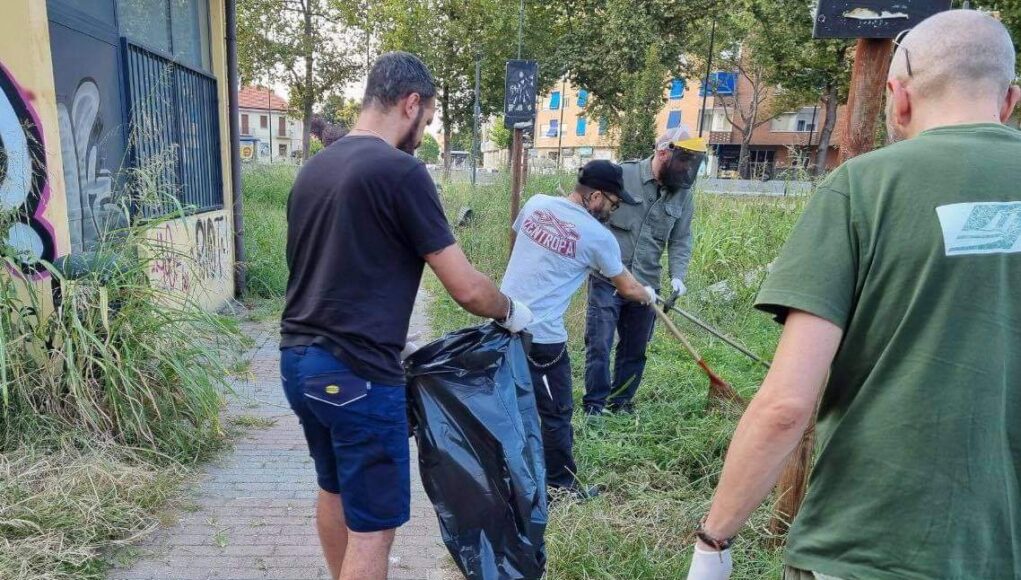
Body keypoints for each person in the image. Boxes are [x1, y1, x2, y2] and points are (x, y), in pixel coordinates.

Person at [685, 10, 1021, 580]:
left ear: (899, 96)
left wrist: (714, 542)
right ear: (1010, 99)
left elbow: (787, 407)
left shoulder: (864, 188)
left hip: (870, 545)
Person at [279, 52, 532, 580]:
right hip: (357, 375)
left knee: (335, 489)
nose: (426, 131)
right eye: (429, 118)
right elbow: (464, 287)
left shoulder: (315, 169)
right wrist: (511, 311)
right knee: (374, 527)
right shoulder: (401, 172)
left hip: (297, 364)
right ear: (410, 103)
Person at [501, 161, 656, 498]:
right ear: (596, 196)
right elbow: (628, 289)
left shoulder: (536, 203)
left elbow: (521, 242)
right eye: (613, 205)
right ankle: (561, 486)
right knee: (556, 413)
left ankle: (505, 475)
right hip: (541, 339)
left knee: (509, 404)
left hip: (501, 322)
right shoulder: (600, 237)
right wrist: (650, 294)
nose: (613, 213)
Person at [583, 125, 707, 415]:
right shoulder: (622, 176)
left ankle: (621, 404)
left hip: (647, 285)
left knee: (634, 349)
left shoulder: (683, 195)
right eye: (683, 159)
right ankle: (594, 406)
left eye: (692, 162)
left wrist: (678, 276)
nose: (687, 168)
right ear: (663, 152)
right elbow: (589, 215)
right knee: (599, 345)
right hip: (608, 278)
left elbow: (680, 239)